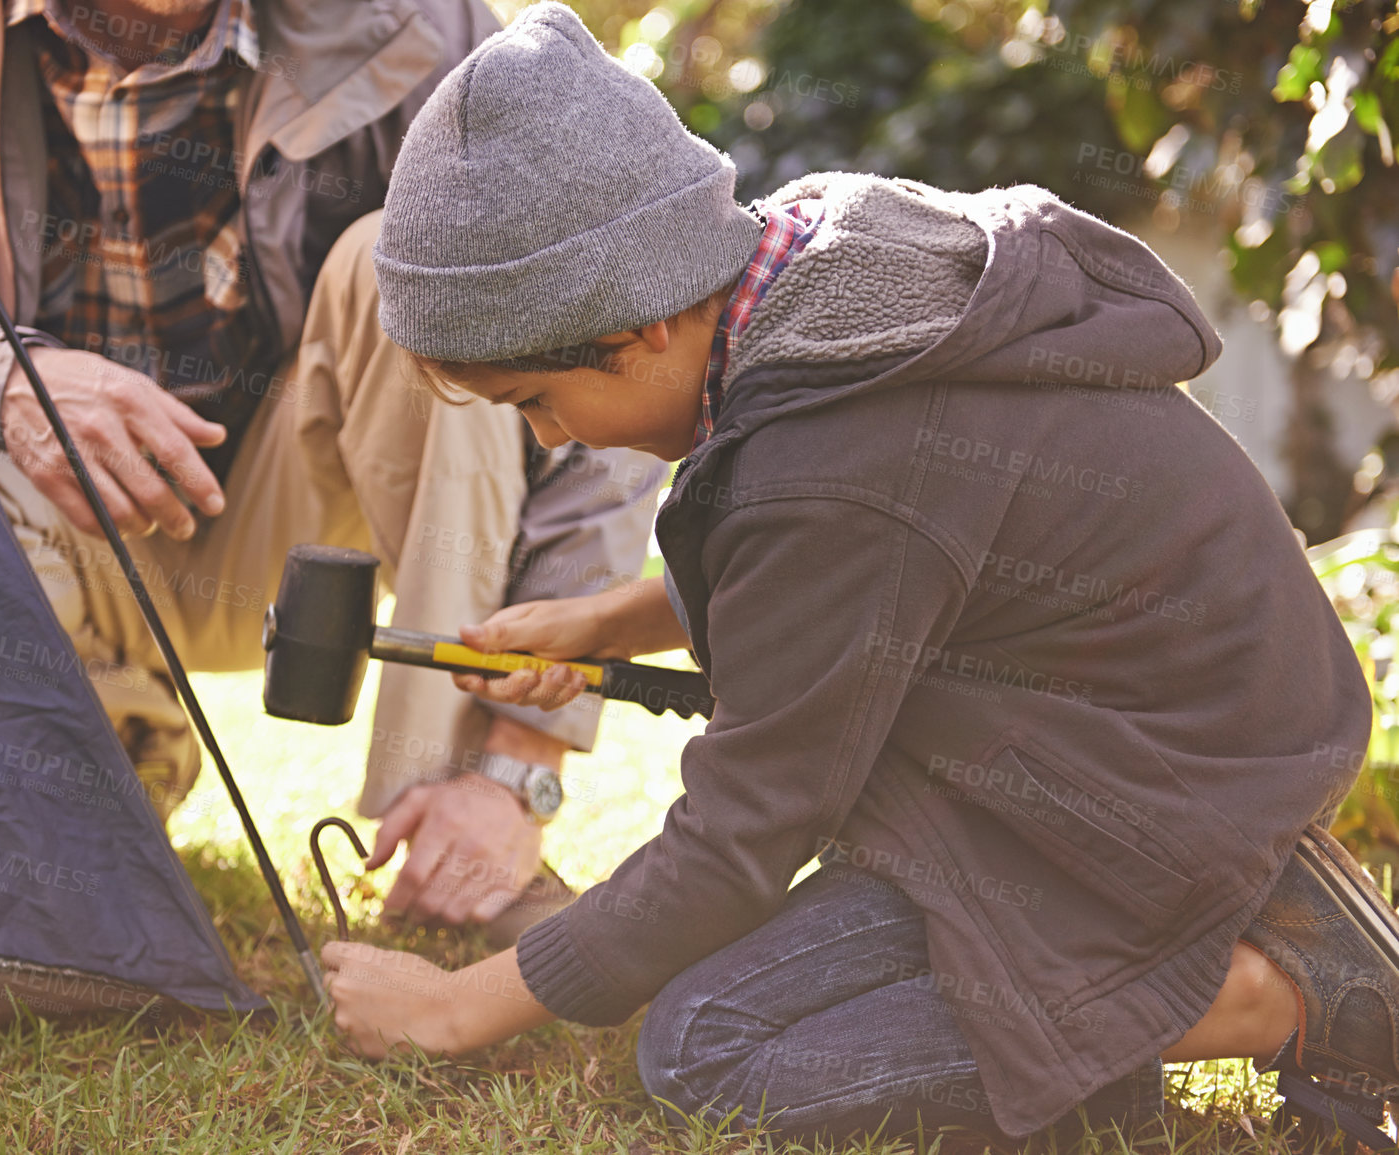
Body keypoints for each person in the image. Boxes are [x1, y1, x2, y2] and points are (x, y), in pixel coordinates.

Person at [320, 3, 1390, 1146]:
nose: (548, 441)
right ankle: (1207, 945)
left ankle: (1290, 989)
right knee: (713, 1014)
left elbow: (740, 836)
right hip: (1097, 756)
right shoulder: (818, 280)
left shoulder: (835, 457)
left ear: (635, 329)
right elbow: (889, 564)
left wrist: (448, 1009)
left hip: (1149, 790)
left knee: (709, 1056)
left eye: (534, 402)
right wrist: (610, 620)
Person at [0, 0, 665, 938]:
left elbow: (599, 343)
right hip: (47, 526)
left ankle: (452, 821)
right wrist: (8, 379)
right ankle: (117, 736)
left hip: (307, 515)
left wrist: (519, 767)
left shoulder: (428, 24)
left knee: (399, 272)